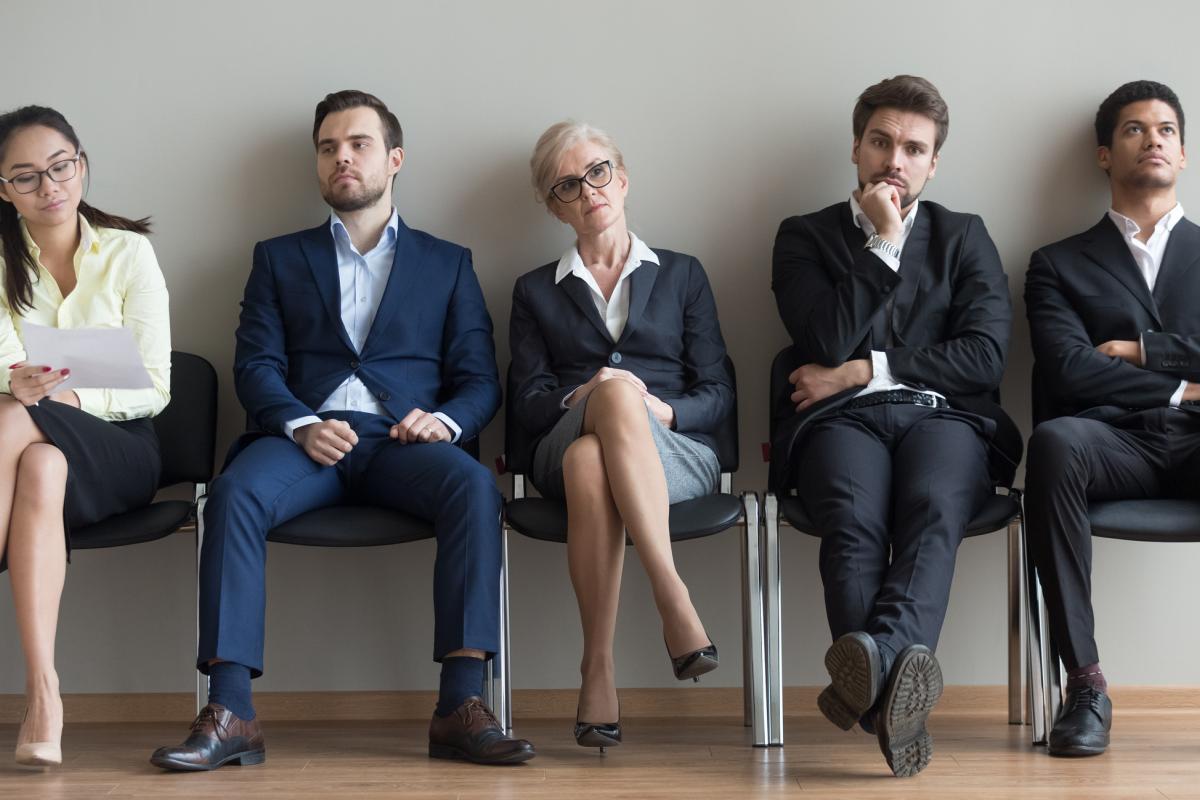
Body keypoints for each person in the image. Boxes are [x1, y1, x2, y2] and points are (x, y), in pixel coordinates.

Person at [151, 90, 533, 770]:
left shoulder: (447, 263)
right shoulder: (278, 257)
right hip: (302, 447)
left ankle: (461, 706)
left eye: (357, 144)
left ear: (395, 158)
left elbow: (479, 381)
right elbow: (257, 366)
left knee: (475, 488)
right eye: (328, 148)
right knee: (234, 493)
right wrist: (300, 424)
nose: (342, 158)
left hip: (405, 446)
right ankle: (232, 709)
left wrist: (443, 420)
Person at [770, 75, 1020, 777]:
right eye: (881, 142)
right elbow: (822, 335)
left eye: (914, 148)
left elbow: (984, 355)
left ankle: (873, 672)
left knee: (934, 506)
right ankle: (889, 700)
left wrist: (861, 371)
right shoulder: (804, 237)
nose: (895, 160)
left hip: (944, 419)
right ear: (856, 147)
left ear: (933, 163)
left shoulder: (964, 237)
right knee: (852, 518)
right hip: (838, 425)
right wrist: (881, 242)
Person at [508, 121, 734, 750]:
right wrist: (588, 394)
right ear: (556, 207)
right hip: (562, 435)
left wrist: (655, 411)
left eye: (599, 172)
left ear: (623, 177)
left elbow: (718, 393)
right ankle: (673, 597)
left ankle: (596, 669)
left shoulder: (685, 275)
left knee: (592, 460)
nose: (589, 192)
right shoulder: (533, 291)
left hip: (675, 451)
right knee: (602, 399)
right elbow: (526, 405)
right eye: (568, 186)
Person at [1025, 79, 1196, 758]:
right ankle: (1086, 686)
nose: (1152, 139)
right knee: (1054, 442)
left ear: (1182, 154)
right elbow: (1068, 370)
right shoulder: (1056, 264)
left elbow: (1101, 362)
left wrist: (1143, 350)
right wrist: (1187, 388)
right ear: (1104, 154)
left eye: (1165, 130)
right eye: (1133, 128)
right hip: (1108, 441)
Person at [0, 106, 170, 767]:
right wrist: (22, 386)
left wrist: (67, 396)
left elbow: (155, 385)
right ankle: (44, 691)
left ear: (82, 164)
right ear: (3, 188)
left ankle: (43, 694)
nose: (49, 187)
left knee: (23, 421)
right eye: (26, 176)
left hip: (121, 448)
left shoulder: (129, 252)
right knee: (41, 462)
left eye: (60, 166)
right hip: (24, 457)